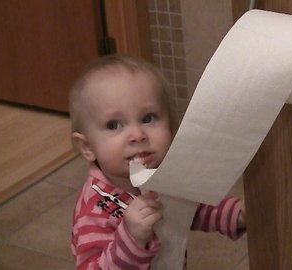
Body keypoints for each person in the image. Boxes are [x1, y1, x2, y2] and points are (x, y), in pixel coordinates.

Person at [69, 54, 246, 269]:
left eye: (148, 118)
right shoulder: (95, 210)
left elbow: (193, 209)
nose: (137, 135)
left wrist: (239, 214)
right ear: (87, 147)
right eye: (114, 125)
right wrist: (131, 238)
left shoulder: (161, 177)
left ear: (171, 126)